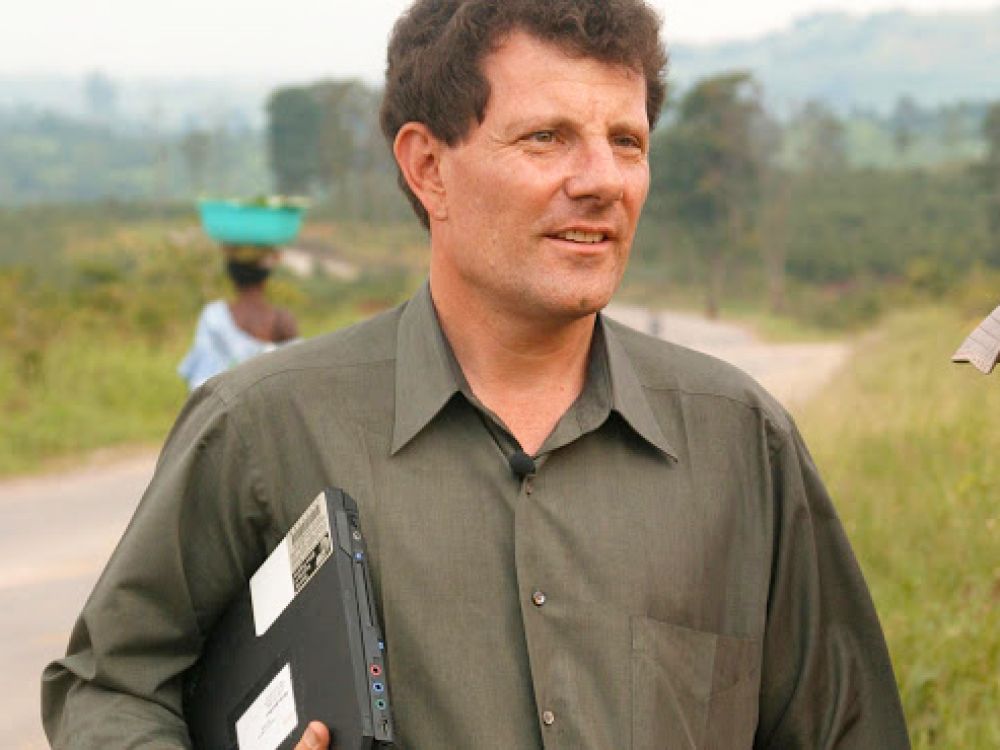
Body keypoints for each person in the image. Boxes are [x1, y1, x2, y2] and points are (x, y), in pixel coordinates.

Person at [42, 1, 910, 748]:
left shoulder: (740, 443)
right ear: (428, 168)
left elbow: (847, 726)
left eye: (626, 141)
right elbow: (110, 685)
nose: (603, 181)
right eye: (548, 139)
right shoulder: (264, 428)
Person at [177, 244, 299, 390]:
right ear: (265, 277)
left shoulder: (213, 316)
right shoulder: (283, 321)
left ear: (232, 275)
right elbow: (297, 379)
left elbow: (199, 379)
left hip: (221, 409)